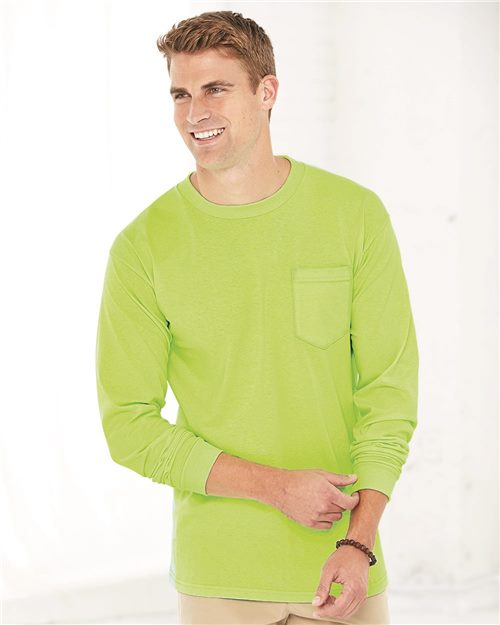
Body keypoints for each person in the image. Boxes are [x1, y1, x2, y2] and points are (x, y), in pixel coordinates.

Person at [95, 10, 419, 625]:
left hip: (344, 564)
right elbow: (128, 425)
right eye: (180, 94)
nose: (195, 113)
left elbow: (390, 393)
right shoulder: (143, 247)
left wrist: (358, 542)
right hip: (219, 577)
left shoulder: (354, 216)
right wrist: (277, 488)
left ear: (266, 91)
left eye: (215, 89)